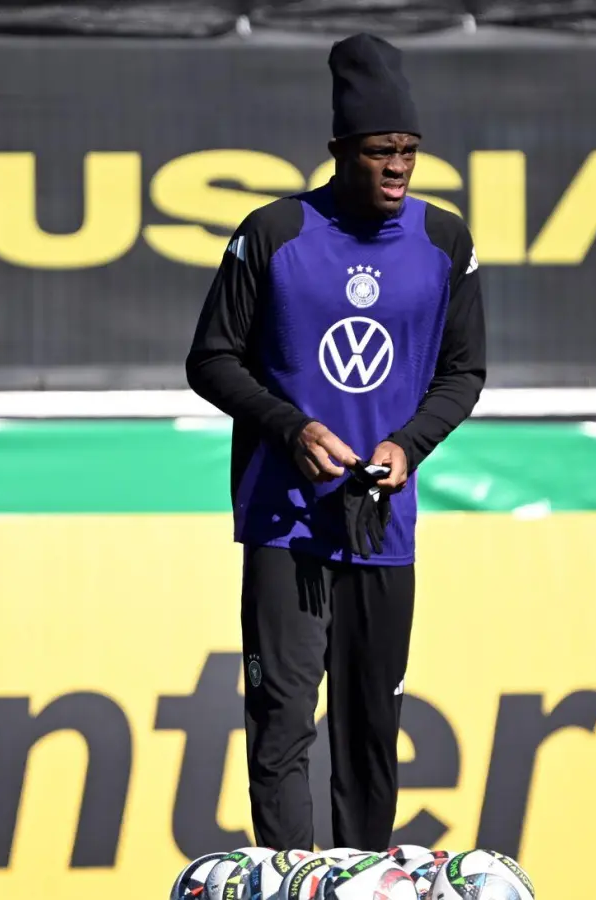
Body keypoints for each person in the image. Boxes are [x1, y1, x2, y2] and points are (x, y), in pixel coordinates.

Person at [184, 32, 487, 853]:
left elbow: (464, 372)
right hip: (288, 525)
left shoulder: (445, 243)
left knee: (371, 727)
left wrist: (410, 445)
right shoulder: (276, 233)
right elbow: (210, 359)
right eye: (381, 151)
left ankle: (355, 875)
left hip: (381, 525)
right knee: (282, 721)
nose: (397, 167)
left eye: (410, 153)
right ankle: (292, 875)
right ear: (340, 151)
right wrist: (292, 426)